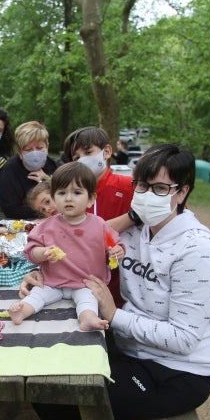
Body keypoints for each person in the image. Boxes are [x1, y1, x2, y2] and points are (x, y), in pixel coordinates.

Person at [21, 143, 210, 420]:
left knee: (58, 397)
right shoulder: (132, 234)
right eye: (141, 186)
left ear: (182, 192)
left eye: (159, 189)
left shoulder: (198, 251)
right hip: (127, 348)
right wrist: (36, 273)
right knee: (46, 374)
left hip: (176, 370)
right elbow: (76, 256)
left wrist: (114, 315)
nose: (145, 196)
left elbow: (184, 339)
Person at [8, 162, 124, 331]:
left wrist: (117, 252)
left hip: (86, 283)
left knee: (88, 300)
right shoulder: (47, 226)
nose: (68, 198)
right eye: (62, 193)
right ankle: (22, 311)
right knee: (37, 294)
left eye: (77, 192)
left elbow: (115, 245)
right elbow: (31, 251)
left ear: (91, 198)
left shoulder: (99, 225)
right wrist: (43, 252)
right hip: (53, 282)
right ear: (55, 198)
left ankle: (88, 319)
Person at [62, 126, 136, 306]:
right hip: (79, 288)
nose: (83, 160)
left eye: (88, 152)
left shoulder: (130, 187)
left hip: (124, 288)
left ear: (107, 151)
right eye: (76, 157)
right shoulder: (69, 196)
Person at [0, 121, 59, 219]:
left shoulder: (55, 166)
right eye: (28, 150)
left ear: (47, 147)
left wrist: (48, 180)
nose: (35, 153)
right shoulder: (10, 171)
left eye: (39, 148)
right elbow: (10, 209)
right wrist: (43, 213)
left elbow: (69, 191)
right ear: (20, 152)